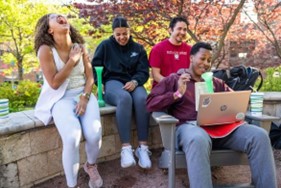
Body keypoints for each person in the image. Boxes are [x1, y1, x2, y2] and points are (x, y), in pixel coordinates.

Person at [146, 42, 277, 188]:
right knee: (198, 138)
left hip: (221, 128)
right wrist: (176, 94)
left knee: (259, 135)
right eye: (202, 58)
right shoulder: (174, 79)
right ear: (191, 58)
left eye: (209, 60)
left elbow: (235, 101)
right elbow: (150, 103)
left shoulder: (216, 83)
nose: (206, 63)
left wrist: (236, 105)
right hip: (190, 128)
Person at [34, 13, 103, 188]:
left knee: (94, 134)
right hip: (60, 99)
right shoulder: (45, 50)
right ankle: (72, 185)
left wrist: (85, 97)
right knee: (72, 138)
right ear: (49, 29)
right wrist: (72, 61)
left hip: (83, 94)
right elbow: (55, 83)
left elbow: (90, 78)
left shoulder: (81, 46)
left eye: (63, 15)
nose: (61, 16)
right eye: (55, 17)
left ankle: (91, 165)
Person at [91, 17, 151, 169]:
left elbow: (144, 71)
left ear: (129, 31)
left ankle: (142, 148)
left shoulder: (138, 48)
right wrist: (100, 85)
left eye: (125, 33)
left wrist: (136, 82)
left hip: (133, 82)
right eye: (118, 34)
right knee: (124, 98)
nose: (122, 37)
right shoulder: (105, 46)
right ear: (113, 33)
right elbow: (94, 68)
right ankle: (126, 149)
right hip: (113, 83)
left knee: (142, 99)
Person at [149, 16, 192, 87]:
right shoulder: (158, 49)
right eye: (179, 29)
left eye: (185, 29)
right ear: (170, 30)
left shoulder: (190, 50)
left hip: (184, 89)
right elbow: (156, 75)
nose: (182, 32)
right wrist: (173, 84)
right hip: (163, 89)